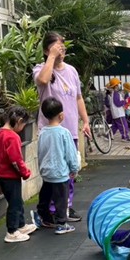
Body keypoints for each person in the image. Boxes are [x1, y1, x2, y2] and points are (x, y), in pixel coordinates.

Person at [34, 31, 90, 222]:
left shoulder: (71, 70)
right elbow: (43, 81)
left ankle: (65, 206)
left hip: (70, 130)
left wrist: (85, 121)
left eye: (62, 47)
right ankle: (52, 210)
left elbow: (78, 98)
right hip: (51, 132)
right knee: (54, 172)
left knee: (70, 171)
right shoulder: (41, 69)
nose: (60, 51)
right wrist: (51, 56)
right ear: (46, 50)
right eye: (56, 47)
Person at [0, 106, 36, 243]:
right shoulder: (13, 137)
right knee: (14, 204)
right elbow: (16, 160)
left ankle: (21, 225)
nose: (22, 128)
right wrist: (25, 172)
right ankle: (12, 232)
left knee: (16, 200)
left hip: (1, 175)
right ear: (19, 121)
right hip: (10, 176)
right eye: (23, 125)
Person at [37, 97, 81, 235]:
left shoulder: (42, 132)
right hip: (60, 173)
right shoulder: (64, 133)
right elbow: (70, 153)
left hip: (46, 172)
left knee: (45, 196)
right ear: (61, 115)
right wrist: (74, 169)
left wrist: (41, 167)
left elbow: (40, 151)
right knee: (61, 199)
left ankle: (44, 217)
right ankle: (61, 223)